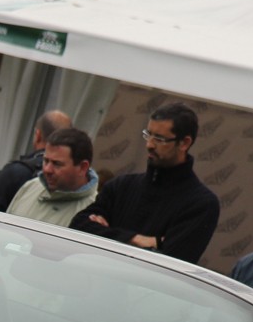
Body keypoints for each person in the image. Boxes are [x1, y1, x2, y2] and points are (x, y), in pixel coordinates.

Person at [71, 101, 220, 265]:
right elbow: (79, 226)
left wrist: (107, 234)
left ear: (184, 143)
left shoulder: (201, 204)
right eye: (148, 135)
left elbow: (171, 262)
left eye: (159, 139)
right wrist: (138, 240)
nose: (149, 144)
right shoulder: (121, 186)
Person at [4, 127, 98, 227]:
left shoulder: (93, 212)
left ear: (82, 167)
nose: (47, 169)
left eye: (57, 164)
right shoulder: (30, 187)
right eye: (45, 161)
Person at [0, 109, 71, 210]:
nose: (48, 170)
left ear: (38, 135)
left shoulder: (14, 172)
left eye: (57, 163)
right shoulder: (73, 178)